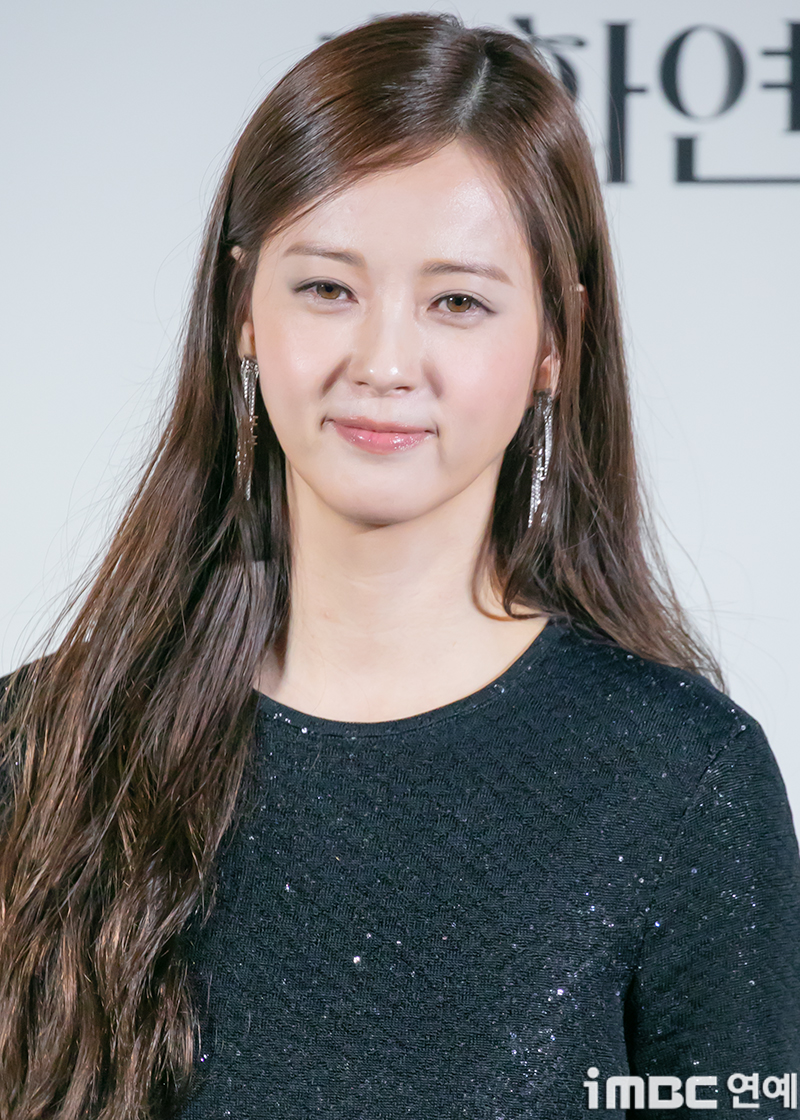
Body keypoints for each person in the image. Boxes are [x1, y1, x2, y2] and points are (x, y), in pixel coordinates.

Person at [0, 12, 798, 1119]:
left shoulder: (681, 779)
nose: (382, 362)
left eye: (457, 302)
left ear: (553, 343)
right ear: (241, 308)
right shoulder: (43, 748)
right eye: (327, 288)